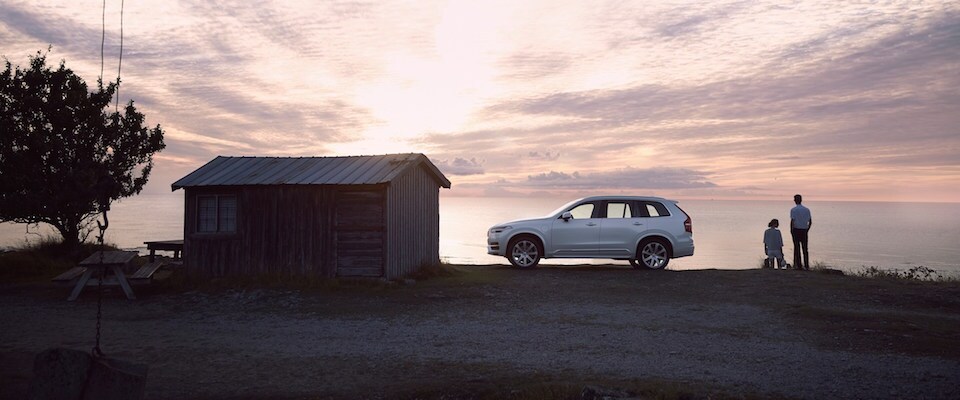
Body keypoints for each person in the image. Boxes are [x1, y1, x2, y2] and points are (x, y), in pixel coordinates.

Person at [790, 194, 812, 270]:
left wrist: (791, 231)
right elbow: (810, 221)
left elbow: (792, 221)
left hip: (796, 229)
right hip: (804, 230)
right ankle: (806, 265)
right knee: (805, 249)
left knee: (797, 248)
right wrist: (807, 229)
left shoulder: (793, 210)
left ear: (795, 200)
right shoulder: (807, 210)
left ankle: (799, 265)